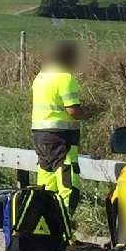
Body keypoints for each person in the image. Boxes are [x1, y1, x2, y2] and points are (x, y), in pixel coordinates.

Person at [29, 39, 86, 234]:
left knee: (46, 186)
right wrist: (90, 113)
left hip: (40, 137)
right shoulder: (65, 78)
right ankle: (64, 232)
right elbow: (73, 111)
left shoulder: (41, 77)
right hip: (62, 139)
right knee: (68, 186)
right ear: (68, 57)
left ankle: (44, 232)